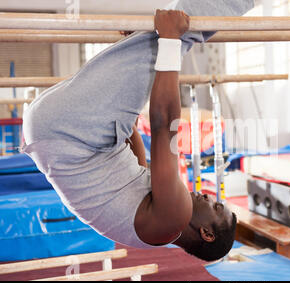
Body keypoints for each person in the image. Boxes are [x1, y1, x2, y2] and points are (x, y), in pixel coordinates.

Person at [22, 0, 254, 261]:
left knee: (182, 32)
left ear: (206, 233)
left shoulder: (175, 217)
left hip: (72, 131)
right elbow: (135, 158)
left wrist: (167, 41)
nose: (208, 196)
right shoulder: (152, 233)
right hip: (55, 132)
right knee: (151, 46)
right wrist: (129, 72)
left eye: (216, 207)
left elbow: (165, 125)